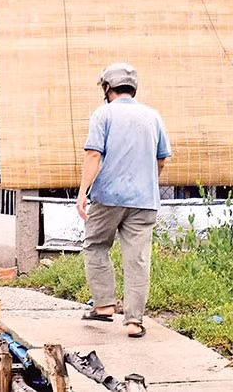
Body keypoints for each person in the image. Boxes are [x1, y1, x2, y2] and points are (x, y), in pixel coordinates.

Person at [76, 62, 171, 338]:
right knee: (137, 259)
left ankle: (104, 304)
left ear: (107, 88)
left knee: (95, 245)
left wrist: (83, 192)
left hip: (107, 197)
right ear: (133, 88)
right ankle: (133, 322)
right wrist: (148, 180)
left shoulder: (103, 114)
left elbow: (94, 155)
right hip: (144, 200)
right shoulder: (153, 116)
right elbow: (161, 158)